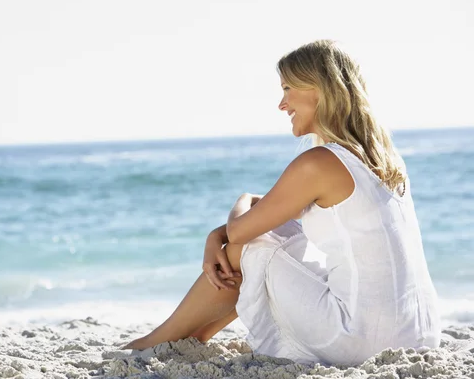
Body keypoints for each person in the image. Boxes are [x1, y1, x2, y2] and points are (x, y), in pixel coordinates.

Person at [123, 39, 441, 365]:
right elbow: (273, 214)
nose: (282, 103)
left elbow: (240, 233)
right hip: (419, 333)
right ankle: (193, 333)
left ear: (317, 89)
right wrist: (217, 235)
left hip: (359, 337)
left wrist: (242, 200)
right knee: (273, 233)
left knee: (249, 246)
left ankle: (161, 339)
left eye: (288, 88)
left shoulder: (319, 162)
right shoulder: (384, 158)